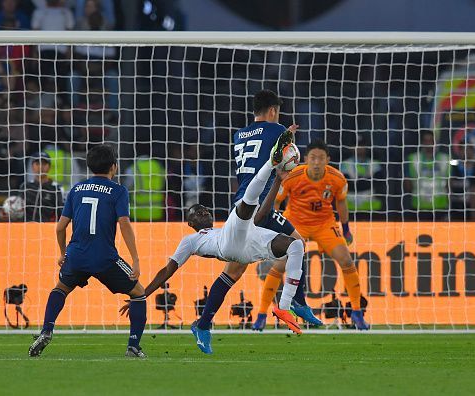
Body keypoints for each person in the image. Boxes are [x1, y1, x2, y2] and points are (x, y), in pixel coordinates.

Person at [121, 131, 304, 354]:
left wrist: (277, 180)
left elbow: (263, 212)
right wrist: (142, 295)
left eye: (204, 209)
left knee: (296, 245)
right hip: (228, 245)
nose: (203, 211)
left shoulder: (219, 228)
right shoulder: (190, 241)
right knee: (245, 204)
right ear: (190, 223)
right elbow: (166, 271)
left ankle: (284, 307)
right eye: (196, 212)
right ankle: (270, 162)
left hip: (245, 245)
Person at [194, 89, 322, 337]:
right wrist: (288, 144)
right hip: (259, 206)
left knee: (234, 270)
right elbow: (285, 161)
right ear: (273, 110)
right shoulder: (277, 130)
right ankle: (298, 302)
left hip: (240, 205)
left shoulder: (239, 135)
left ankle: (203, 323)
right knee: (297, 243)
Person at [29, 144, 147, 358]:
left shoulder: (76, 188)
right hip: (105, 258)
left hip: (76, 255)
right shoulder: (118, 190)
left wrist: (62, 253)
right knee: (139, 293)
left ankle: (47, 329)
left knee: (61, 289)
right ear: (114, 167)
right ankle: (133, 346)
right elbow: (124, 224)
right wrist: (136, 259)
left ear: (90, 167)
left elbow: (60, 227)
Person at [253, 139, 370, 330]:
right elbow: (275, 201)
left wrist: (346, 229)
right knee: (280, 265)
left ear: (328, 160)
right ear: (306, 159)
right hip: (295, 224)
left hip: (324, 224)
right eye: (313, 158)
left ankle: (357, 313)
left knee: (347, 261)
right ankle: (261, 314)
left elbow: (341, 203)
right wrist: (274, 228)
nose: (316, 162)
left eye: (321, 158)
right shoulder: (293, 176)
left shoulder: (337, 178)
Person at [404, 130, 450, 221]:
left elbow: (450, 184)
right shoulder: (413, 159)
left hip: (440, 207)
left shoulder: (445, 159)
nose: (428, 143)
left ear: (435, 142)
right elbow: (407, 183)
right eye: (426, 140)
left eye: (431, 140)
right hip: (419, 207)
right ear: (422, 143)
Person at [20, 152, 64, 222]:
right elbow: (19, 208)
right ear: (32, 167)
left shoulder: (56, 188)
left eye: (44, 164)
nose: (40, 167)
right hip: (27, 228)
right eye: (37, 164)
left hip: (47, 229)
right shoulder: (25, 186)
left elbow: (61, 212)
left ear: (49, 167)